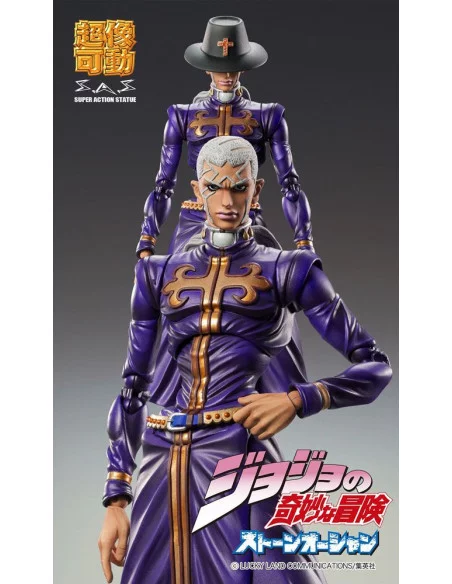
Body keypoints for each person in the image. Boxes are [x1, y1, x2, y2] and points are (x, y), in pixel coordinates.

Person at [98, 137, 392, 584]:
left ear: (256, 190)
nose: (227, 202)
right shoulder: (156, 272)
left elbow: (375, 365)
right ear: (196, 191)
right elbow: (133, 388)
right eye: (214, 187)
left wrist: (299, 399)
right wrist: (116, 498)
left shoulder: (288, 269)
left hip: (238, 457)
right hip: (162, 461)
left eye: (239, 187)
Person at [137, 15, 313, 260]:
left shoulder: (267, 116)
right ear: (207, 68)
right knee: (170, 273)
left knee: (282, 272)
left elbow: (290, 185)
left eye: (233, 67)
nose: (227, 75)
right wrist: (146, 241)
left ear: (243, 68)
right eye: (219, 68)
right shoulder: (181, 117)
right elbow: (163, 186)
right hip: (198, 215)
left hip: (245, 213)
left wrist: (305, 244)